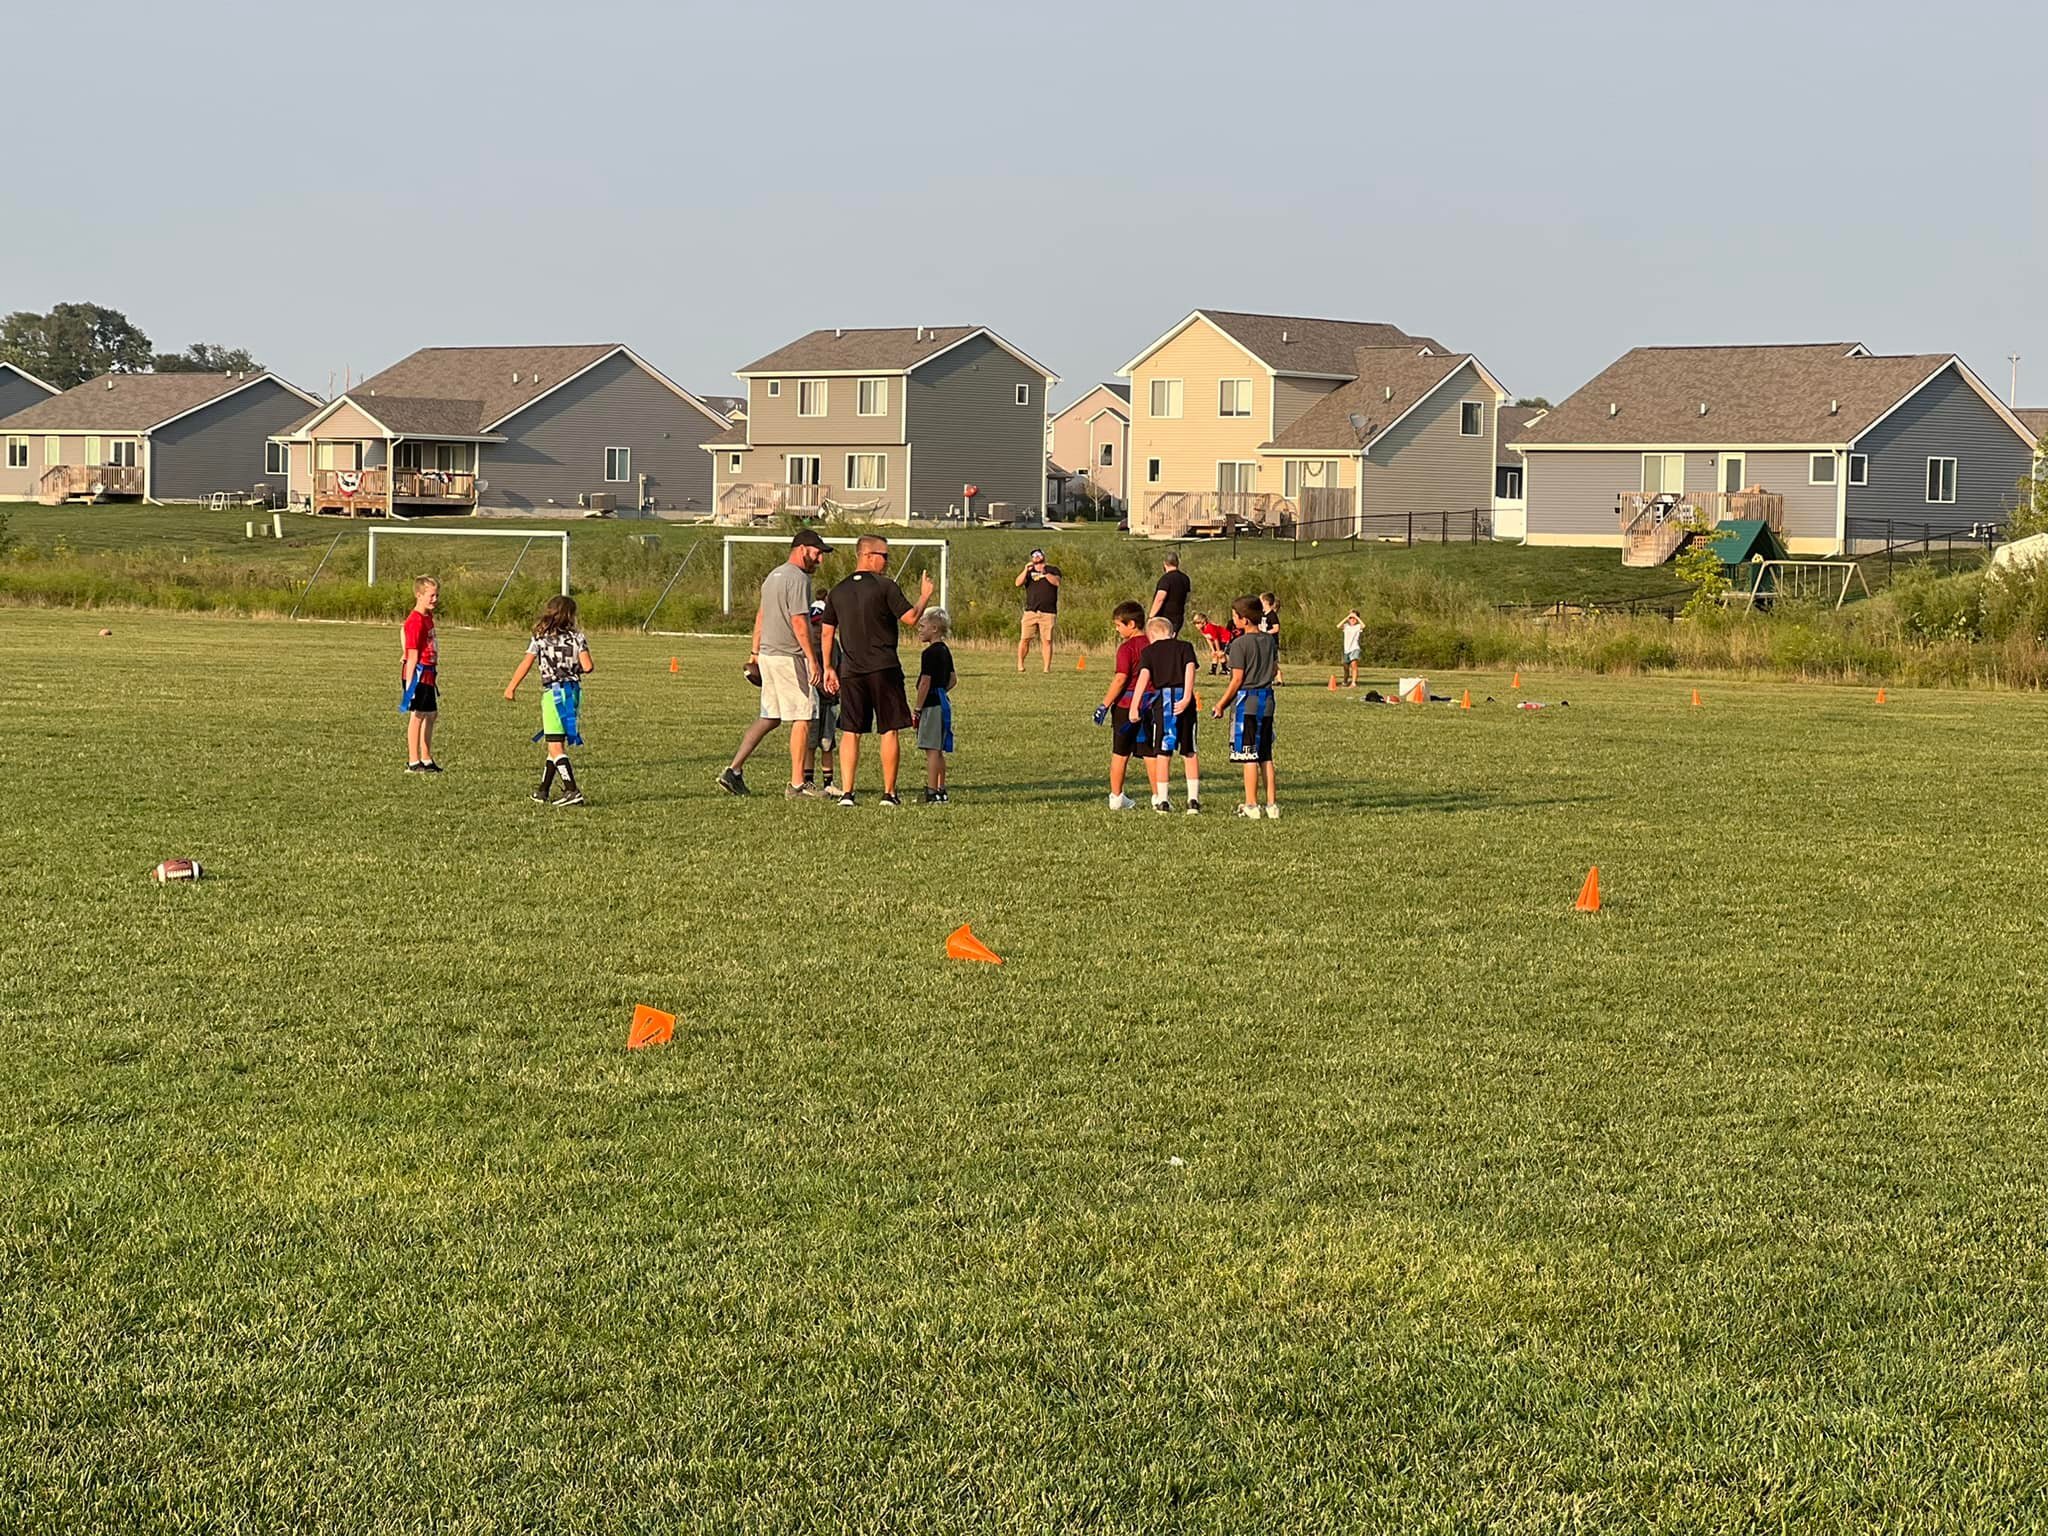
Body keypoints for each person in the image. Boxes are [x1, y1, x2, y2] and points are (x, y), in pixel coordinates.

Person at [819, 534, 934, 808]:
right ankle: (889, 793)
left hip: (851, 671)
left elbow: (826, 633)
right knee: (889, 730)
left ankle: (847, 793)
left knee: (851, 731)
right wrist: (924, 596)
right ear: (868, 555)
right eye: (884, 556)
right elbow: (911, 618)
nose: (887, 561)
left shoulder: (838, 591)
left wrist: (828, 667)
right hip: (884, 668)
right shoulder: (885, 587)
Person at [719, 529, 828, 798]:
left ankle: (733, 770)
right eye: (817, 553)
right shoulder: (798, 578)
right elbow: (799, 622)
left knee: (770, 716)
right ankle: (797, 784)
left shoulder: (773, 576)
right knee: (804, 715)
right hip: (789, 656)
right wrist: (812, 660)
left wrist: (755, 652)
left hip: (768, 654)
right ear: (802, 549)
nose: (820, 559)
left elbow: (761, 615)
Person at [503, 594, 593, 807]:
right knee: (556, 743)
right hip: (573, 692)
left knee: (555, 747)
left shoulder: (540, 637)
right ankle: (542, 790)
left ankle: (572, 790)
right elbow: (588, 666)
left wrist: (511, 687)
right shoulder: (578, 637)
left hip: (554, 693)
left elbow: (526, 663)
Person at [1213, 594, 1280, 819]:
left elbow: (1237, 680)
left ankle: (1251, 804)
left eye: (1235, 616)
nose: (1233, 620)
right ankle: (1272, 805)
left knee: (1249, 755)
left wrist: (1221, 704)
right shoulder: (1269, 641)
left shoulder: (1239, 644)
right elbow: (1274, 669)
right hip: (1267, 701)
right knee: (1265, 755)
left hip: (1246, 702)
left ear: (1245, 619)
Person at [1131, 615, 1201, 814]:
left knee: (1162, 752)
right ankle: (1193, 800)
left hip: (1163, 703)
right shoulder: (1185, 647)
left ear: (1151, 635)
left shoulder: (1149, 652)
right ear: (1172, 633)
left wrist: (1135, 706)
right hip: (1184, 701)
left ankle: (1162, 799)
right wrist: (1187, 696)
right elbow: (1190, 670)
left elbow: (1143, 679)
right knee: (1189, 750)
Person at [1093, 600, 1149, 810]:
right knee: (1151, 754)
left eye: (1118, 625)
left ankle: (1116, 796)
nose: (1117, 630)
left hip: (1126, 705)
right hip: (1150, 704)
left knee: (1120, 752)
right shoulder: (1153, 643)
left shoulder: (1127, 648)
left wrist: (1104, 705)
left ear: (1131, 624)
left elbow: (1120, 678)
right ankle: (1159, 796)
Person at [912, 608, 957, 803]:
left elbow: (925, 682)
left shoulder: (929, 653)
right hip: (943, 703)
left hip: (931, 705)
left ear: (935, 628)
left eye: (923, 626)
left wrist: (918, 708)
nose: (919, 630)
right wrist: (941, 691)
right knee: (938, 750)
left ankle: (931, 792)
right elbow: (953, 679)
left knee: (931, 749)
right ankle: (941, 789)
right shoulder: (945, 650)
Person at [803, 599, 844, 796]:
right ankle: (808, 780)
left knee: (828, 742)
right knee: (810, 743)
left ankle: (829, 782)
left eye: (821, 624)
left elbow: (840, 666)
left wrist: (838, 688)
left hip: (829, 701)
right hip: (813, 702)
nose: (818, 630)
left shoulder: (834, 645)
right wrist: (821, 686)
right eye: (814, 625)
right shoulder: (808, 648)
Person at [400, 575, 441, 772]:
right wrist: (410, 685)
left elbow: (402, 630)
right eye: (431, 595)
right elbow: (413, 655)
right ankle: (413, 761)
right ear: (419, 595)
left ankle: (426, 758)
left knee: (431, 714)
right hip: (418, 674)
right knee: (418, 715)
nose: (435, 599)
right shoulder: (415, 621)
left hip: (429, 674)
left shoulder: (427, 616)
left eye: (437, 595)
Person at [1014, 548, 1061, 672]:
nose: (1036, 557)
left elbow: (1056, 582)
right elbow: (1017, 583)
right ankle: (1020, 664)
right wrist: (1026, 570)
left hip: (1048, 612)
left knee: (1047, 640)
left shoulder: (1052, 570)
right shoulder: (1029, 572)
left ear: (1043, 556)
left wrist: (1044, 573)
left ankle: (1046, 668)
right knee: (1025, 639)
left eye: (1038, 554)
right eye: (1034, 555)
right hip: (1031, 611)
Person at [1149, 551, 1191, 633]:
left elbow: (1160, 598)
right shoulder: (1185, 578)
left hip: (1165, 619)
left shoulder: (1166, 579)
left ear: (1165, 563)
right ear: (1177, 563)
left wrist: (1151, 617)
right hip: (1178, 617)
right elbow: (1187, 598)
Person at [1196, 611, 1233, 676]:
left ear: (1204, 623)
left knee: (1221, 654)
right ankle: (1213, 670)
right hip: (1219, 640)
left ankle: (1225, 669)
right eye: (1195, 623)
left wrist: (1218, 650)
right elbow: (1208, 639)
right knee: (1214, 654)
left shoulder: (1210, 628)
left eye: (1198, 623)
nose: (1196, 625)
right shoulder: (1201, 629)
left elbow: (1216, 640)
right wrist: (1213, 650)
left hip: (1225, 638)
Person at [1339, 608, 1364, 688]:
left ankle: (1353, 683)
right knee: (1346, 667)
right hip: (1346, 649)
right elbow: (1338, 626)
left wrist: (1356, 617)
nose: (1352, 619)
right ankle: (1345, 682)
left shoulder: (1358, 626)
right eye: (1351, 618)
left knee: (1354, 665)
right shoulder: (1346, 626)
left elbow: (1363, 626)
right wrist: (1347, 617)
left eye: (1354, 618)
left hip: (1354, 648)